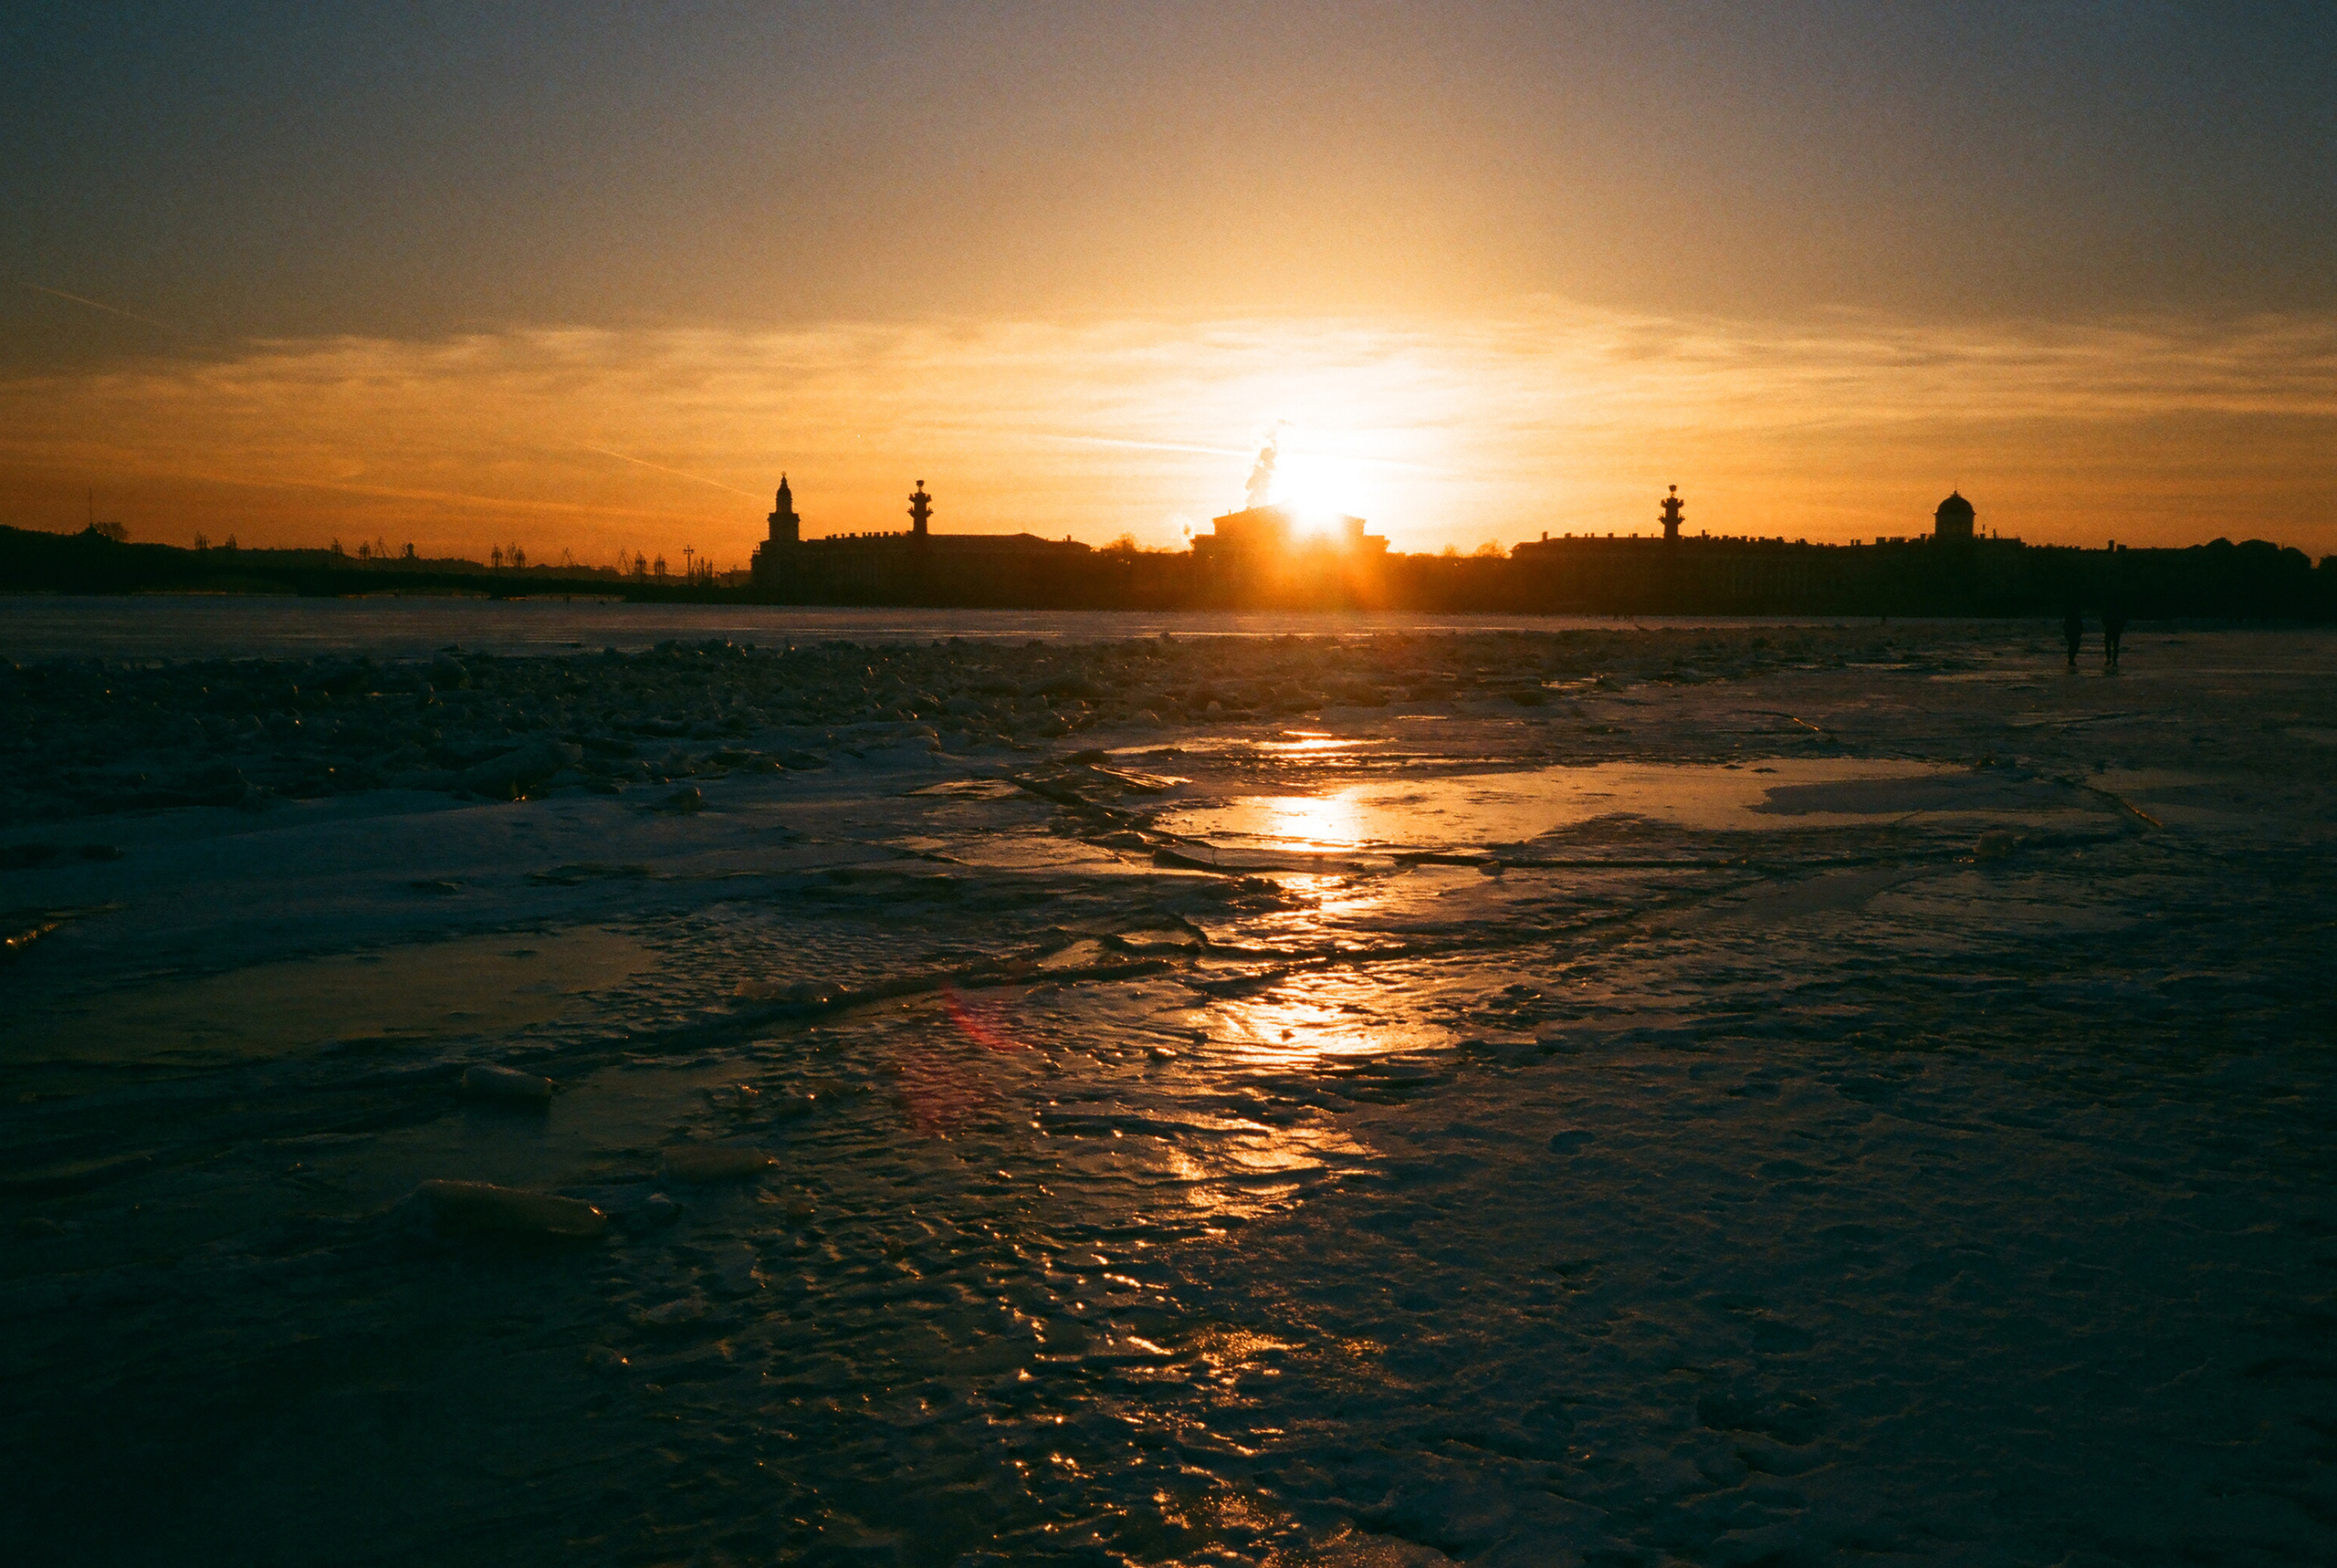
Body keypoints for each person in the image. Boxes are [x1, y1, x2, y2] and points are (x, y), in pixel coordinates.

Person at [2102, 597, 2127, 672]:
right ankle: (2113, 659)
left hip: (2111, 629)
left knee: (2109, 644)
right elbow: (2123, 619)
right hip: (2114, 629)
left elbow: (2104, 619)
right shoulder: (2117, 611)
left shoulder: (2109, 610)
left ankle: (2110, 659)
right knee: (2114, 645)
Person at [2062, 604, 2084, 672]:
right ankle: (2071, 659)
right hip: (2073, 632)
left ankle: (2071, 659)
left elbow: (2065, 625)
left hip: (2073, 632)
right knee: (2074, 645)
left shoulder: (2071, 616)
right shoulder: (2073, 616)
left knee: (2072, 645)